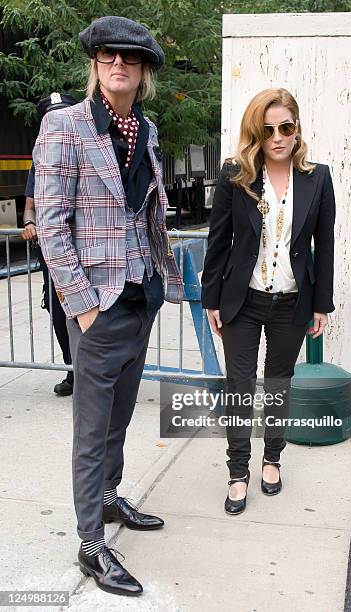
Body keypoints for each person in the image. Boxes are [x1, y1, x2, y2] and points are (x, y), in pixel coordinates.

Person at [33, 16, 184, 597]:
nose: (117, 64)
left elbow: (148, 214)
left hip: (139, 295)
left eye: (129, 57)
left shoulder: (144, 130)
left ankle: (108, 496)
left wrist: (159, 284)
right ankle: (91, 541)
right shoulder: (64, 126)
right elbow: (51, 223)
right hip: (95, 304)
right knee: (92, 428)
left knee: (121, 415)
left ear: (143, 71)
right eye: (106, 56)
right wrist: (83, 306)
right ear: (95, 65)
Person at [201, 88, 336, 515]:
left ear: (297, 129)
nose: (277, 137)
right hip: (242, 299)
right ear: (255, 133)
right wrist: (211, 299)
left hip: (292, 303)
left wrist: (322, 304)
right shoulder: (234, 174)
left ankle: (272, 459)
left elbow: (325, 245)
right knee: (240, 388)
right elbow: (218, 241)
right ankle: (237, 472)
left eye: (285, 127)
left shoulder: (318, 177)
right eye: (268, 129)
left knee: (278, 385)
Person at [22, 93, 78, 396]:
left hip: (84, 252)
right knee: (59, 313)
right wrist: (30, 223)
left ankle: (96, 375)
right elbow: (30, 204)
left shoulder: (88, 152)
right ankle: (74, 372)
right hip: (53, 255)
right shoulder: (40, 161)